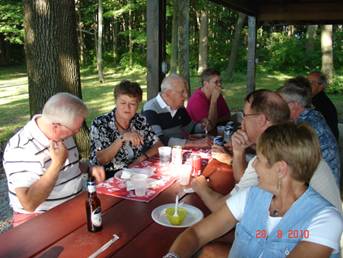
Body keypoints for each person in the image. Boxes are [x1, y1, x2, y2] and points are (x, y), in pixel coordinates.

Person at [165, 123, 343, 258]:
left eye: (259, 159)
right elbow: (196, 234)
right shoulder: (252, 196)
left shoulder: (325, 220)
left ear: (281, 169)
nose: (254, 165)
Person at [192, 90, 341, 213]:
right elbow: (244, 183)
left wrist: (200, 186)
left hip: (304, 242)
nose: (242, 123)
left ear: (262, 120)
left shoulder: (271, 158)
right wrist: (238, 153)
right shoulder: (291, 145)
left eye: (245, 116)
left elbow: (222, 209)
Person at [3, 92, 105, 227]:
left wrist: (89, 168)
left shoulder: (62, 134)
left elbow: (71, 166)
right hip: (39, 219)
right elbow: (29, 204)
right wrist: (57, 163)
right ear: (55, 126)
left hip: (73, 204)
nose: (77, 132)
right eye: (75, 130)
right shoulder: (21, 149)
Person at [90, 80, 163, 178]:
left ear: (138, 105)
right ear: (116, 102)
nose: (127, 108)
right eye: (123, 103)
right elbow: (101, 159)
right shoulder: (100, 123)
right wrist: (122, 138)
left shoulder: (139, 120)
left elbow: (158, 145)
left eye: (132, 104)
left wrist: (141, 159)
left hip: (135, 172)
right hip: (108, 176)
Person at [278, 77, 341, 186]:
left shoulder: (304, 125)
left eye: (281, 104)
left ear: (293, 106)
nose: (278, 108)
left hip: (321, 190)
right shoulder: (311, 115)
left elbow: (287, 158)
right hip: (323, 182)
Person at [142, 74, 210, 147]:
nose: (186, 95)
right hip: (160, 155)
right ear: (168, 93)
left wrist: (202, 126)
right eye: (182, 92)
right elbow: (158, 141)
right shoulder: (150, 109)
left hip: (179, 152)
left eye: (186, 91)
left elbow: (190, 129)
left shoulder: (179, 107)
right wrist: (193, 143)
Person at [308, 71, 339, 140]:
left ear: (321, 86)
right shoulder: (313, 99)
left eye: (311, 82)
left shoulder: (321, 104)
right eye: (307, 81)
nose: (307, 85)